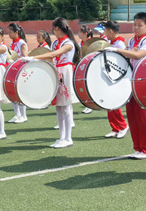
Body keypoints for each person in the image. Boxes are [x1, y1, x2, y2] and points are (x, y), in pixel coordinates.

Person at [107, 12, 146, 159]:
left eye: (139, 25)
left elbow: (138, 55)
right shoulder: (132, 40)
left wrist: (117, 50)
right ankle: (138, 147)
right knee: (132, 116)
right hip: (132, 80)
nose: (136, 27)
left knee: (144, 116)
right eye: (134, 25)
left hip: (144, 81)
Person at [32, 18, 80, 148]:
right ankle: (62, 137)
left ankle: (68, 138)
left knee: (66, 107)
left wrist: (33, 57)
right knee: (58, 106)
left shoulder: (68, 43)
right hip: (56, 72)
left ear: (57, 28)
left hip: (65, 73)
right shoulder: (55, 43)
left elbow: (53, 54)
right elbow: (51, 56)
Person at [102, 20, 130, 139]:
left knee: (113, 102)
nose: (104, 33)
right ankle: (115, 127)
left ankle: (123, 126)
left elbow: (124, 60)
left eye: (105, 30)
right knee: (108, 102)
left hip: (116, 76)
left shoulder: (119, 44)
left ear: (111, 31)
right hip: (109, 74)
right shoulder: (109, 42)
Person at [8, 23, 28, 124]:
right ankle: (17, 114)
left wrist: (17, 61)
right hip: (13, 69)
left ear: (16, 32)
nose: (9, 35)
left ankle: (23, 115)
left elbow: (25, 57)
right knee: (12, 92)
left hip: (20, 69)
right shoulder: (12, 43)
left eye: (10, 32)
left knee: (20, 92)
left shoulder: (21, 43)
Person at [77, 25, 94, 114]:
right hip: (83, 66)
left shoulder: (91, 43)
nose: (78, 34)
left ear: (85, 33)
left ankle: (90, 105)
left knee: (90, 85)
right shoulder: (80, 44)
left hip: (90, 66)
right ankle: (89, 104)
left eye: (80, 32)